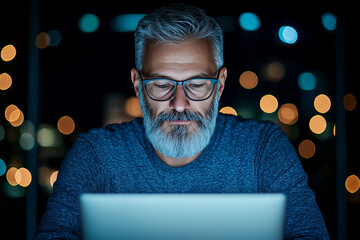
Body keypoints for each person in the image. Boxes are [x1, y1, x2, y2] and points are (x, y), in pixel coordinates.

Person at [34, 3, 329, 239]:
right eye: (162, 84)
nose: (179, 103)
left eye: (197, 84)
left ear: (220, 84)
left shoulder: (263, 149)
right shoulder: (95, 154)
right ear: (138, 85)